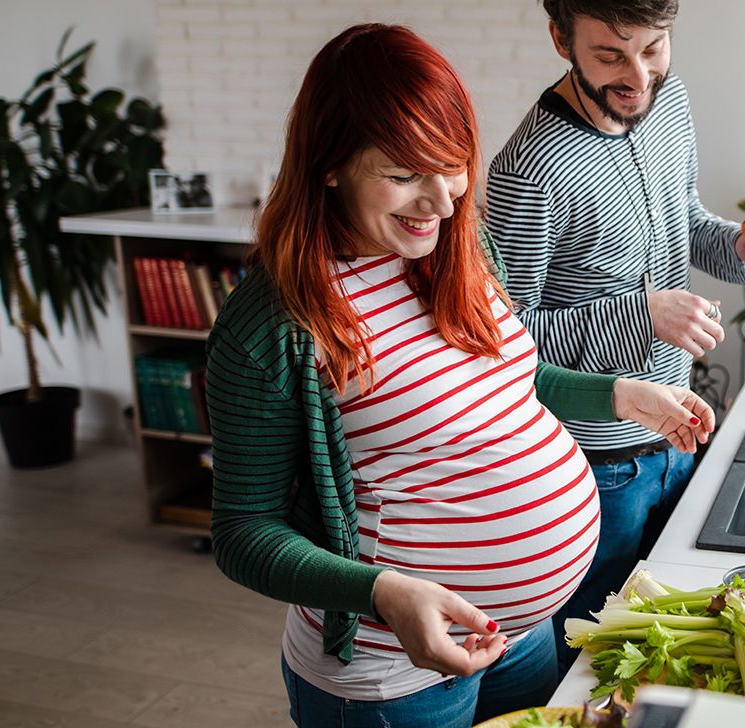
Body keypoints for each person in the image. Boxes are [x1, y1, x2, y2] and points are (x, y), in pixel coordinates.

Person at [204, 24, 715, 728]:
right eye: (404, 175)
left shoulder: (457, 248)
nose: (442, 203)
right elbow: (243, 530)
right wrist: (386, 593)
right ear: (328, 164)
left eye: (453, 166)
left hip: (523, 638)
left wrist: (620, 395)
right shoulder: (274, 326)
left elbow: (508, 383)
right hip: (395, 670)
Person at [485, 0, 745, 673]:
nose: (639, 76)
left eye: (654, 48)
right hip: (594, 473)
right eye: (610, 55)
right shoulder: (527, 170)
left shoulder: (670, 100)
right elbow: (501, 347)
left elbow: (684, 222)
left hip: (679, 443)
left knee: (660, 659)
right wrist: (641, 315)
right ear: (559, 38)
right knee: (587, 665)